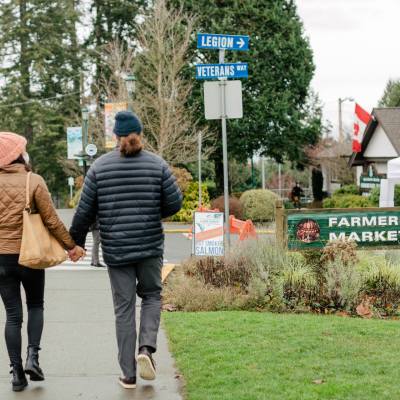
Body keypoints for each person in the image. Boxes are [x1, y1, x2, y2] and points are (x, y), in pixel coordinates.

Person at [69, 111, 182, 389]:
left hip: (117, 250)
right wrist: (154, 213)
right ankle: (146, 350)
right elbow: (175, 203)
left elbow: (84, 212)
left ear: (115, 136)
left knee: (124, 310)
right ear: (140, 134)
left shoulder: (99, 167)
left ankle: (128, 374)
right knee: (152, 296)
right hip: (150, 247)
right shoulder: (157, 165)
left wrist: (76, 243)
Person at [0, 132, 85, 392]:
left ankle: (16, 373)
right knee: (36, 304)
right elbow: (51, 220)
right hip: (31, 255)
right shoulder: (33, 180)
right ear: (18, 155)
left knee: (13, 316)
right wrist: (72, 246)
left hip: (2, 258)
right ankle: (33, 358)